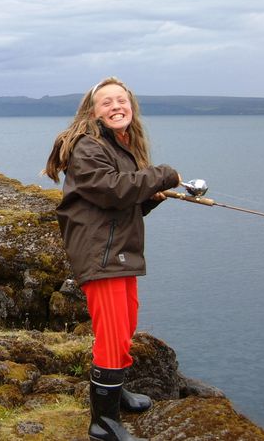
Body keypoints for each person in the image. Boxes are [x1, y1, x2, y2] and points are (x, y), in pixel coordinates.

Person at [44, 77, 180, 441]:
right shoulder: (87, 147)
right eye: (108, 102)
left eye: (123, 100)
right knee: (112, 332)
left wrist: (148, 198)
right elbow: (110, 190)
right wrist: (161, 175)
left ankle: (115, 394)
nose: (117, 106)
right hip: (100, 252)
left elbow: (119, 202)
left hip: (116, 248)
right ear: (93, 112)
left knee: (126, 325)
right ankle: (102, 424)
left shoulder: (117, 146)